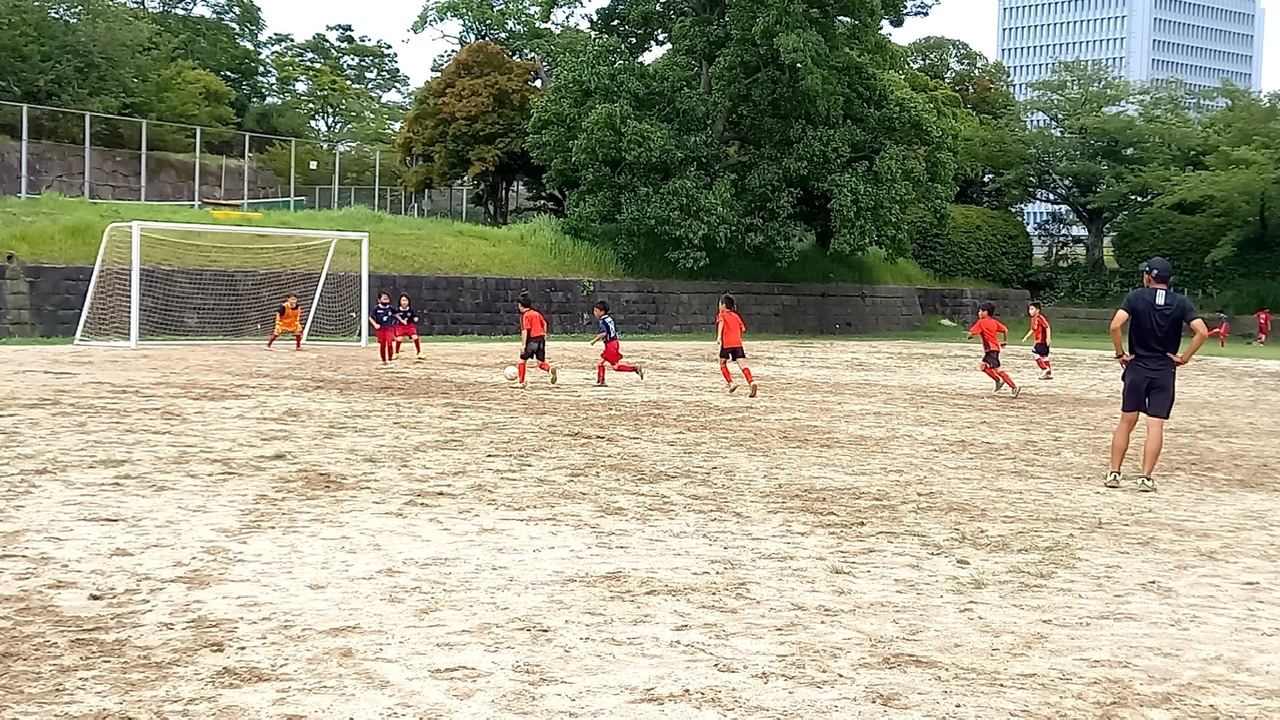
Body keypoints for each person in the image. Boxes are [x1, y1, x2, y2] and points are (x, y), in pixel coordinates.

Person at [1106, 257, 1209, 492]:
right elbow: (1202, 332)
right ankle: (1145, 477)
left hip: (1137, 367)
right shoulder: (1180, 302)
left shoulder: (1135, 297)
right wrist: (1185, 357)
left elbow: (1115, 325)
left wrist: (1120, 353)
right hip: (1164, 370)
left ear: (1148, 277)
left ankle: (1114, 472)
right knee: (1155, 425)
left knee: (1126, 421)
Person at [967, 303, 1019, 398]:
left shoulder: (981, 322)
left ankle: (1013, 386)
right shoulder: (994, 322)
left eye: (980, 311)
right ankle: (998, 380)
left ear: (986, 312)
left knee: (998, 370)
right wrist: (1005, 341)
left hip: (990, 349)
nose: (979, 313)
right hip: (994, 349)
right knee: (983, 366)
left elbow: (971, 333)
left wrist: (970, 336)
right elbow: (1005, 330)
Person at [590, 301, 643, 386]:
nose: (594, 313)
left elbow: (604, 333)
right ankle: (634, 368)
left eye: (596, 311)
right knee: (611, 365)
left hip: (610, 344)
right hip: (614, 343)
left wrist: (594, 340)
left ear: (602, 311)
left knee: (606, 364)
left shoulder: (602, 321)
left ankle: (601, 381)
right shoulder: (609, 319)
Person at [716, 293, 758, 397]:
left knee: (722, 364)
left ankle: (731, 383)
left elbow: (721, 323)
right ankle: (751, 382)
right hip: (737, 344)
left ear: (723, 305)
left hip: (727, 344)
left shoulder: (722, 315)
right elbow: (742, 328)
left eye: (720, 304)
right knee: (743, 365)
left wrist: (719, 336)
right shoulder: (736, 316)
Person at [515, 292, 557, 388]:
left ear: (521, 305)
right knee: (540, 362)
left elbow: (525, 330)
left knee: (522, 361)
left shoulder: (525, 315)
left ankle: (521, 382)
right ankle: (549, 369)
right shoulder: (536, 313)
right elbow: (544, 323)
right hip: (541, 339)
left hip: (532, 340)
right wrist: (544, 333)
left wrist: (523, 345)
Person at [1022, 301, 1053, 380]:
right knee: (1044, 357)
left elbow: (1047, 327)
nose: (1030, 311)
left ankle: (1044, 368)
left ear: (1038, 310)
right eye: (1029, 309)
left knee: (1035, 353)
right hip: (1038, 341)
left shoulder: (1040, 318)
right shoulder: (1033, 319)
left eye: (1032, 309)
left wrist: (1048, 338)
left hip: (1041, 341)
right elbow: (1032, 329)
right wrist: (1026, 337)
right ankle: (1048, 374)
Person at [392, 293, 424, 361]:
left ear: (408, 301)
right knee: (399, 338)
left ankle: (419, 352)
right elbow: (394, 316)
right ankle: (396, 353)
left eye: (406, 300)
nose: (404, 302)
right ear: (400, 302)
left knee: (415, 337)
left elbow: (414, 316)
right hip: (400, 326)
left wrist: (415, 318)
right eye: (403, 300)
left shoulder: (411, 310)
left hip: (409, 326)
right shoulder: (397, 310)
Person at [369, 291, 397, 366]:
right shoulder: (376, 309)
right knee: (382, 344)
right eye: (384, 299)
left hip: (389, 328)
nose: (386, 300)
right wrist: (375, 324)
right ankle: (383, 360)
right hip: (380, 329)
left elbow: (396, 314)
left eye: (387, 299)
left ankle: (390, 359)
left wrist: (402, 320)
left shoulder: (391, 308)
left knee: (390, 342)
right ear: (379, 300)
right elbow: (371, 318)